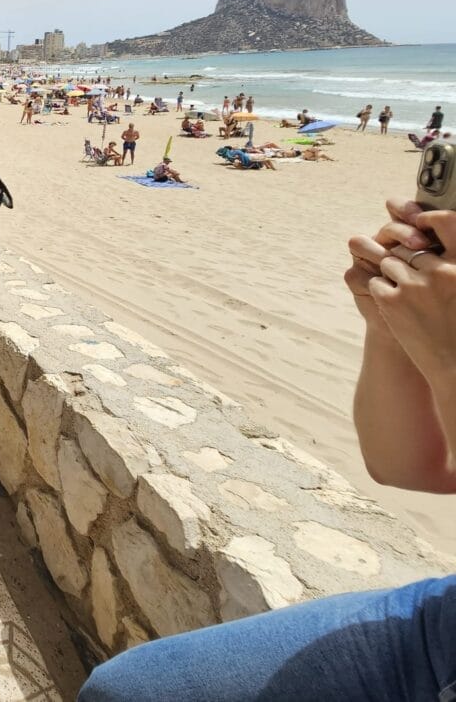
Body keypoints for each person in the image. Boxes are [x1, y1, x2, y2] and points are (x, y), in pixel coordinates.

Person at [78, 200, 456, 701]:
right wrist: (387, 324)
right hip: (440, 627)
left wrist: (450, 360)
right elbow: (403, 465)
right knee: (123, 691)